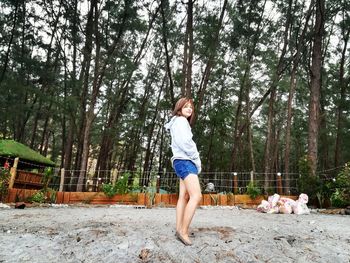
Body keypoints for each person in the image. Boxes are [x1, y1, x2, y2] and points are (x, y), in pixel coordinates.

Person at [164, 97, 202, 246]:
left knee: (183, 196)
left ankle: (179, 228)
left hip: (180, 161)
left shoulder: (177, 122)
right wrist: (196, 159)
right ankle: (183, 231)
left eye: (191, 107)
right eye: (185, 106)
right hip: (186, 161)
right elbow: (186, 143)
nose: (189, 109)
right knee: (196, 196)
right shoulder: (181, 121)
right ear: (179, 108)